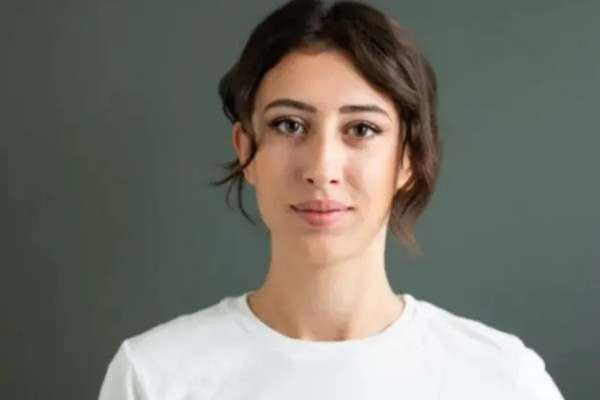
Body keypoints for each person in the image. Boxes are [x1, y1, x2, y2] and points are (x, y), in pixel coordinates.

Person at [98, 0, 565, 398]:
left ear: (408, 157)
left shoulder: (503, 380)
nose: (322, 169)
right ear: (246, 150)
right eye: (289, 125)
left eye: (361, 129)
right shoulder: (155, 376)